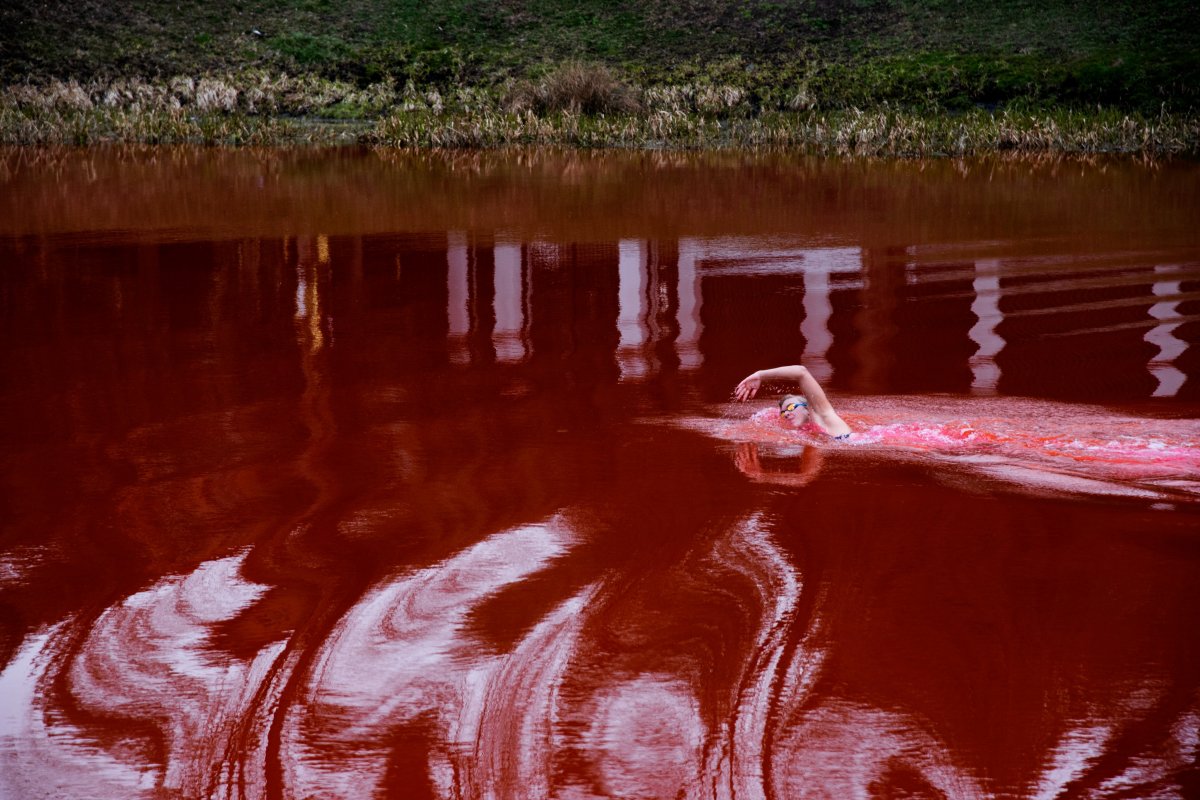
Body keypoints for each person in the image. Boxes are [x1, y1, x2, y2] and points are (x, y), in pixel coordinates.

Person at [734, 365, 853, 440]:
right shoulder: (809, 433)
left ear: (807, 408)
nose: (786, 413)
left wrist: (761, 375)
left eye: (791, 407)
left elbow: (802, 372)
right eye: (783, 412)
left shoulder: (825, 416)